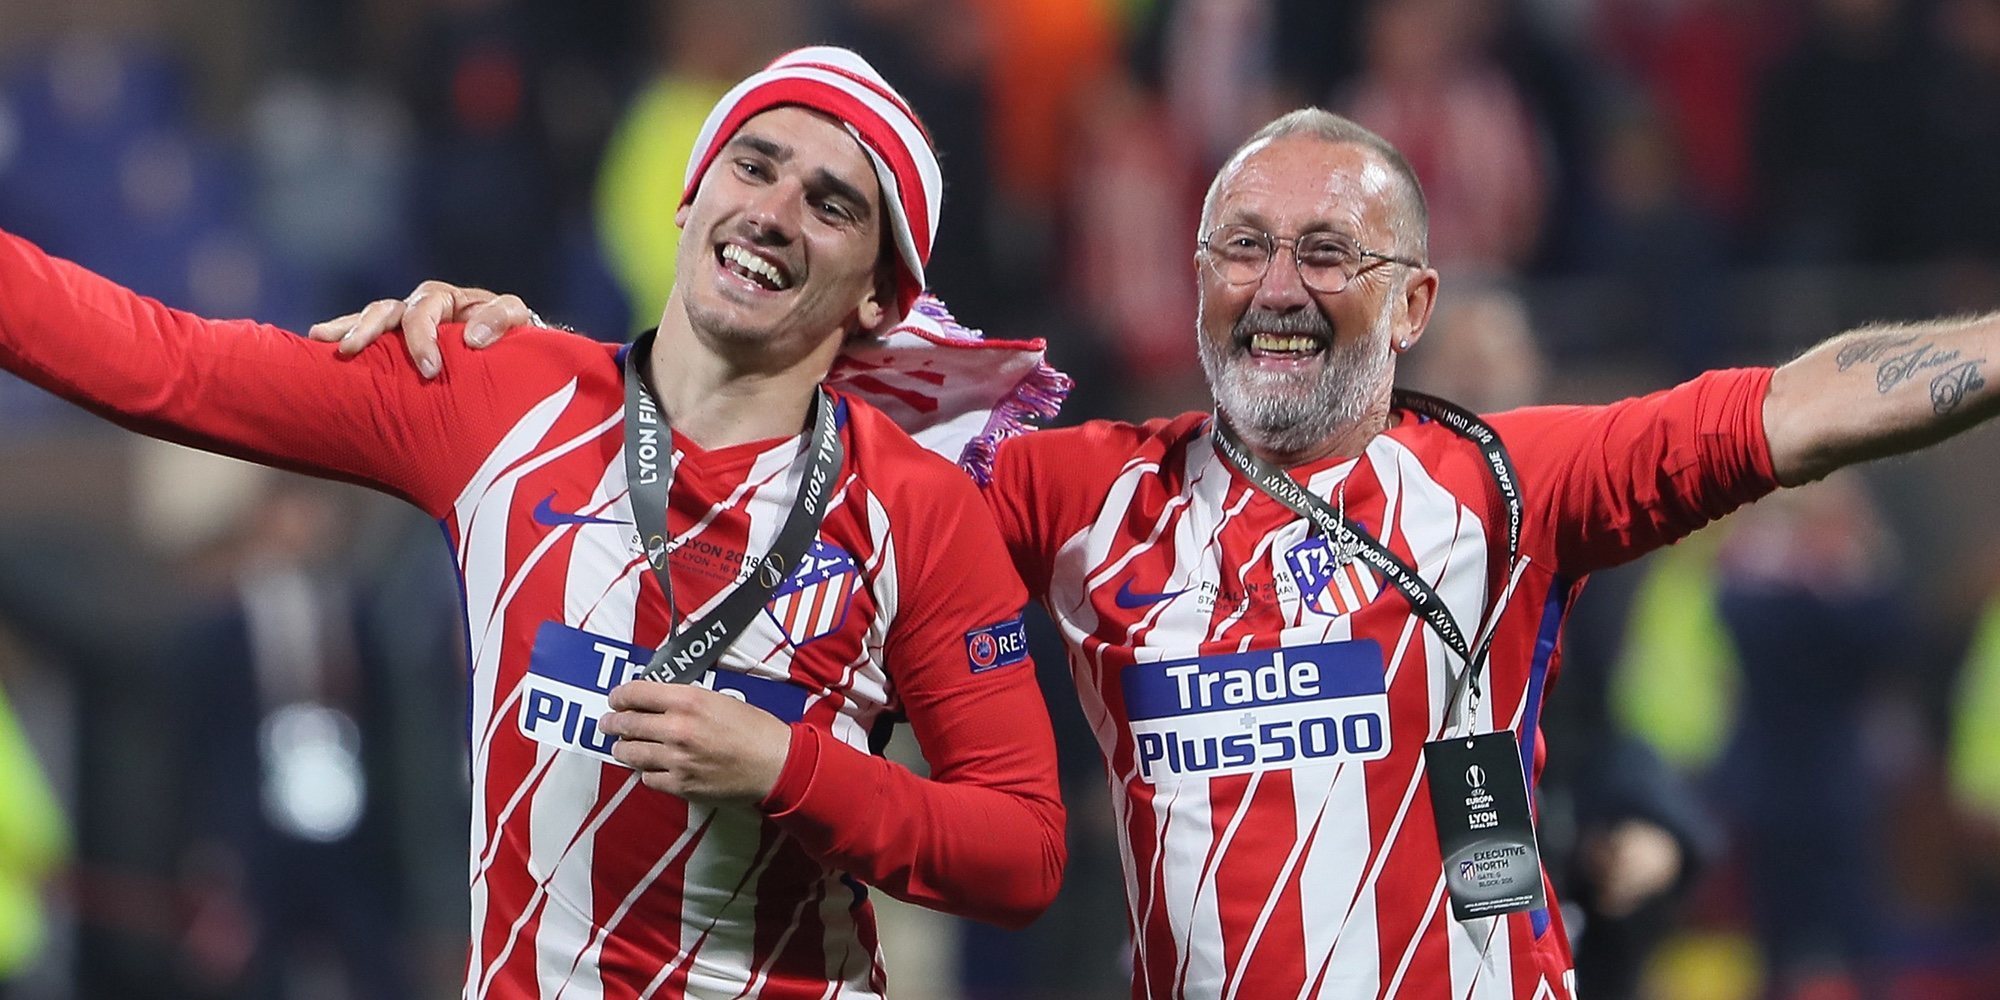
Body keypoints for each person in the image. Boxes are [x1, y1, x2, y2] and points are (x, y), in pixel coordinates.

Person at [333, 106, 2000, 998]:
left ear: (1411, 303)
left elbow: (1805, 402)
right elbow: (776, 465)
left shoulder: (1507, 481)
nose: (1278, 281)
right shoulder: (1072, 492)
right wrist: (525, 357)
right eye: (1244, 244)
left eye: (1329, 250)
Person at [0, 46, 1068, 999]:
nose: (774, 212)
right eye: (753, 165)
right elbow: (166, 362)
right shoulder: (494, 392)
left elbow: (1022, 850)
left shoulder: (916, 516)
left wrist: (788, 769)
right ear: (691, 195)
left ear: (878, 297)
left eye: (832, 205)